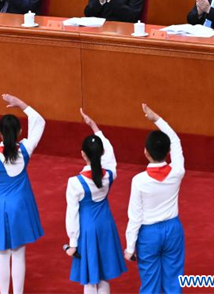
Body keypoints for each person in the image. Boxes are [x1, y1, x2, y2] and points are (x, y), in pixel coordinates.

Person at [0, 96, 45, 294]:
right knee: (19, 253)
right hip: (22, 205)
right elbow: (40, 121)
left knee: (2, 253)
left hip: (0, 205)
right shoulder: (27, 148)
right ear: (20, 132)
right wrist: (22, 104)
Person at [124, 104, 186, 294]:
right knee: (174, 281)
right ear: (168, 152)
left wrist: (130, 246)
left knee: (149, 285)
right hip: (173, 230)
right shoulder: (177, 172)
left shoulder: (139, 181)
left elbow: (135, 215)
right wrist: (156, 119)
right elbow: (175, 140)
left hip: (148, 235)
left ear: (145, 152)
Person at [65, 110, 126, 294]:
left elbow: (72, 213)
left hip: (87, 229)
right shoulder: (110, 175)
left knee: (90, 278)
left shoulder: (75, 183)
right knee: (103, 274)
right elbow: (111, 156)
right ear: (101, 153)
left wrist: (73, 242)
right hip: (106, 225)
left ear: (83, 154)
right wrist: (94, 127)